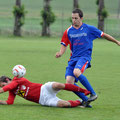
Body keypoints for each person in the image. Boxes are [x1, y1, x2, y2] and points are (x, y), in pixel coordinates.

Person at [55, 8, 120, 106]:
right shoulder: (68, 31)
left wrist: (116, 41)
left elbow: (104, 35)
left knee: (76, 72)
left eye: (76, 18)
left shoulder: (89, 29)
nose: (74, 20)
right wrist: (60, 52)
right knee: (69, 82)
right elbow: (64, 44)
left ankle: (93, 93)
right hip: (73, 59)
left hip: (84, 57)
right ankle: (86, 101)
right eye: (72, 18)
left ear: (81, 18)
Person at [0, 75, 91, 108]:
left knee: (58, 85)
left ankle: (84, 91)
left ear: (7, 79)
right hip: (44, 100)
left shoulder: (17, 79)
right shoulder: (12, 91)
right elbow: (9, 102)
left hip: (44, 88)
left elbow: (9, 86)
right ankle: (80, 102)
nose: (4, 87)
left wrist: (2, 89)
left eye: (3, 85)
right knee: (64, 104)